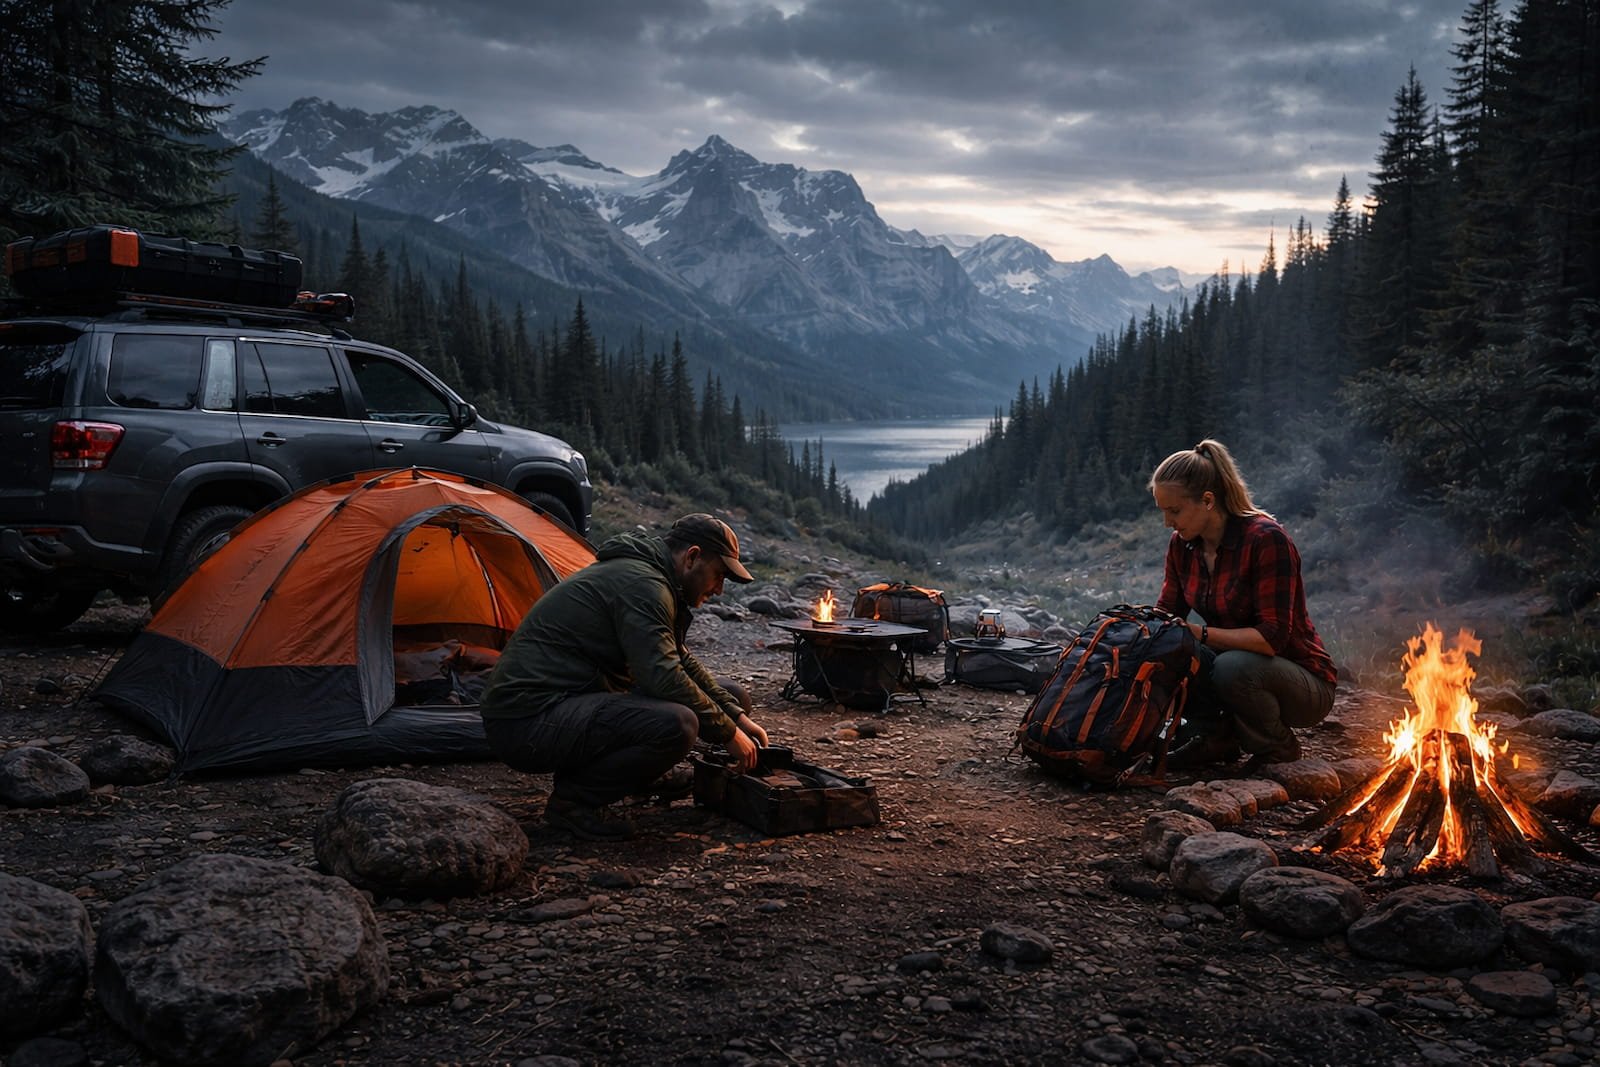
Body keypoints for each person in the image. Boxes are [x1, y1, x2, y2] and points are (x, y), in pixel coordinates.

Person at [480, 513, 770, 841]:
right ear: (692, 557)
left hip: (571, 703)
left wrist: (736, 718)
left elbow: (680, 660)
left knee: (732, 695)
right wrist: (729, 733)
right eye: (719, 575)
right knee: (679, 725)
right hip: (525, 720)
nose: (719, 589)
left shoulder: (655, 579)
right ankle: (574, 803)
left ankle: (634, 775)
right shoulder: (644, 585)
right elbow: (662, 677)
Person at [1148, 440, 1337, 773]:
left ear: (1208, 500)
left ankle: (1277, 747)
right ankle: (1215, 737)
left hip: (1301, 682)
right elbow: (1167, 613)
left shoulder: (1266, 540)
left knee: (1230, 666)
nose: (1167, 522)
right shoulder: (1182, 546)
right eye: (1162, 510)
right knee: (1167, 646)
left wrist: (1199, 634)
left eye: (1174, 511)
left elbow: (1271, 638)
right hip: (1237, 669)